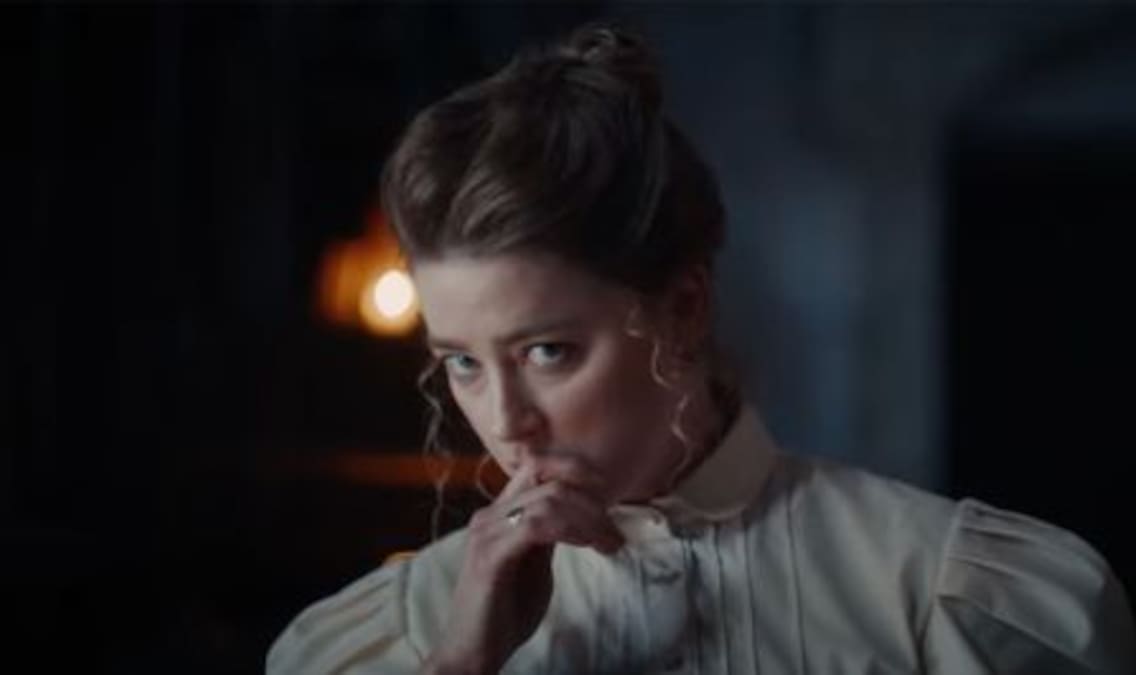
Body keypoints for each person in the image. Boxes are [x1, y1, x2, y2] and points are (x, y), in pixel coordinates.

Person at [267, 23, 1135, 674]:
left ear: (682, 307)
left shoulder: (935, 593)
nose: (506, 420)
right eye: (462, 361)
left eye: (547, 351)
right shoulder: (406, 628)